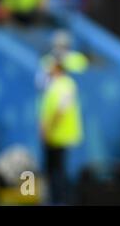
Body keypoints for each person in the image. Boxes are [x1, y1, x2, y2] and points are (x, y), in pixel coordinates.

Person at [40, 57, 83, 205]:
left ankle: (60, 201)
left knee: (58, 172)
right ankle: (56, 200)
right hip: (54, 136)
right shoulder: (55, 84)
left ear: (57, 67)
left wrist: (49, 128)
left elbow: (61, 110)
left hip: (59, 136)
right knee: (53, 171)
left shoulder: (65, 85)